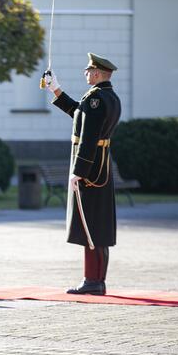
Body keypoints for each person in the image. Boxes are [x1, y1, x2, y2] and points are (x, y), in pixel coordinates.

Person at [43, 53, 121, 296]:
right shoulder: (105, 96)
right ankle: (96, 280)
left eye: (88, 70)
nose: (85, 73)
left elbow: (88, 138)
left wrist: (78, 171)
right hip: (99, 167)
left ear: (97, 73)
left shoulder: (97, 99)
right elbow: (79, 113)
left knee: (91, 227)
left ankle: (92, 280)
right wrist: (56, 90)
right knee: (97, 226)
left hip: (91, 171)